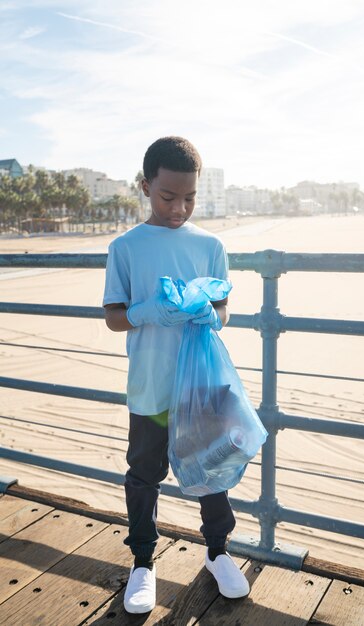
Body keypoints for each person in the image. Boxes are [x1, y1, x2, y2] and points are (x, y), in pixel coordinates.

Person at [103, 136, 250, 614]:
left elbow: (224, 307)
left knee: (212, 471)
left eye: (190, 198)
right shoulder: (126, 247)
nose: (179, 207)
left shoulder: (211, 244)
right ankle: (143, 562)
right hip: (151, 385)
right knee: (144, 474)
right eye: (168, 196)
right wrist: (147, 311)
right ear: (145, 186)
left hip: (202, 384)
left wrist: (213, 316)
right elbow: (114, 316)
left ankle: (218, 553)